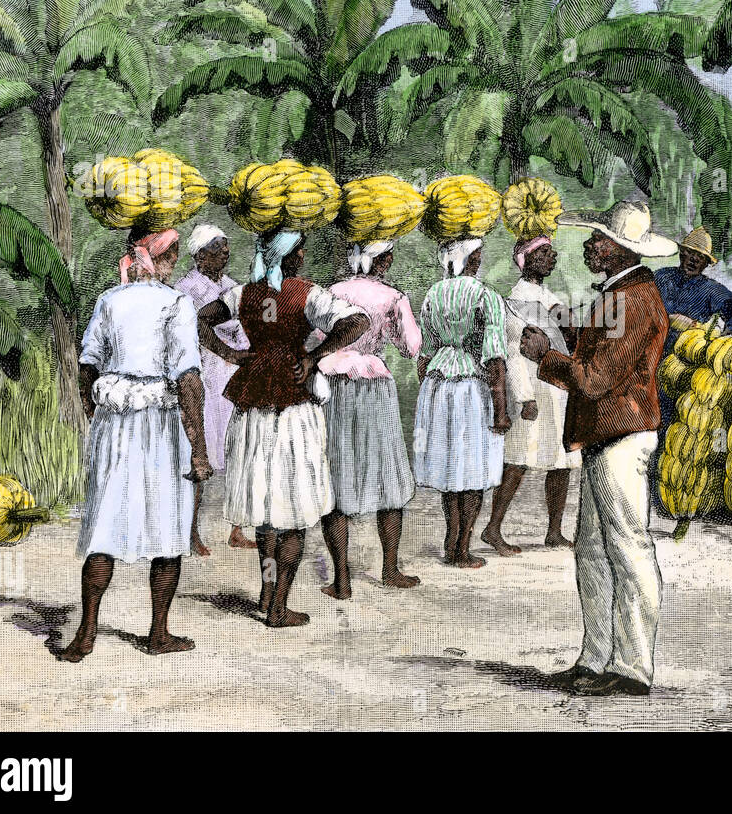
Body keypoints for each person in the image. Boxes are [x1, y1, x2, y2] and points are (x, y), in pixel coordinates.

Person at [520, 199, 675, 697]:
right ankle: (596, 657)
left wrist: (548, 356)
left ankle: (631, 667)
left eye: (597, 239)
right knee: (592, 549)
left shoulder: (630, 300)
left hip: (621, 436)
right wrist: (572, 332)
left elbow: (594, 380)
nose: (588, 245)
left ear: (619, 249)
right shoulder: (620, 294)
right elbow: (602, 358)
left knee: (628, 548)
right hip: (605, 435)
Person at [197, 230, 369, 627]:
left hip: (253, 404)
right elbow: (358, 321)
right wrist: (314, 356)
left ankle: (266, 591)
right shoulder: (306, 294)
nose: (304, 255)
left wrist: (233, 354)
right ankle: (278, 607)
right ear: (289, 256)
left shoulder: (244, 294)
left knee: (265, 509)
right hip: (292, 407)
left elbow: (201, 319)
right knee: (291, 509)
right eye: (299, 250)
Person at [61, 228, 213, 662]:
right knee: (167, 528)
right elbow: (188, 379)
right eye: (173, 255)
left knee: (105, 525)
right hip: (161, 425)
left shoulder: (110, 300)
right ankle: (157, 634)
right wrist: (198, 447)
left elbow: (87, 365)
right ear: (157, 258)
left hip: (115, 423)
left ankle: (87, 634)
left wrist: (99, 418)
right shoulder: (177, 303)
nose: (176, 262)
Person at [319, 240, 423, 592]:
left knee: (337, 470)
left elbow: (316, 340)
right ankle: (390, 570)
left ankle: (341, 579)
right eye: (387, 254)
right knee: (386, 473)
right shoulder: (393, 297)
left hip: (335, 385)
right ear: (378, 259)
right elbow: (410, 347)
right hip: (375, 386)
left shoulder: (331, 292)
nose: (391, 259)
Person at [413, 238, 511, 569]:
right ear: (475, 258)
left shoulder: (433, 294)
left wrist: (430, 394)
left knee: (452, 470)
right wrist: (501, 409)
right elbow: (495, 359)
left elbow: (423, 357)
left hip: (439, 385)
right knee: (472, 470)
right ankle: (463, 546)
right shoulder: (485, 296)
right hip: (471, 388)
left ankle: (451, 537)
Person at [482, 236, 580, 555]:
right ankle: (493, 528)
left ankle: (554, 530)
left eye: (552, 252)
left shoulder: (549, 297)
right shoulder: (516, 300)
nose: (552, 257)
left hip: (557, 388)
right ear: (526, 261)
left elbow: (569, 337)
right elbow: (513, 350)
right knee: (520, 459)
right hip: (534, 388)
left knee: (562, 460)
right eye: (544, 253)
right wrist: (524, 397)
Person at [175, 224, 255, 556]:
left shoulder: (234, 288)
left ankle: (237, 529)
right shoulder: (186, 289)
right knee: (201, 452)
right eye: (218, 247)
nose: (225, 252)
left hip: (231, 376)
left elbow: (243, 331)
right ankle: (191, 532)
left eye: (226, 247)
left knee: (239, 452)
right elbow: (189, 333)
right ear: (200, 254)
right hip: (204, 376)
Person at [652, 226, 732, 426]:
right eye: (690, 253)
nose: (694, 259)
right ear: (682, 253)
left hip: (681, 369)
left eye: (701, 257)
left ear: (706, 263)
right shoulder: (660, 278)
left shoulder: (710, 290)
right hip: (649, 361)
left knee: (671, 422)